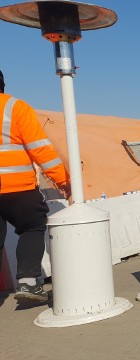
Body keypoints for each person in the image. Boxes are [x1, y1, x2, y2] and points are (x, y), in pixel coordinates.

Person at [0, 70, 71, 302]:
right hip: (16, 187)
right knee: (32, 225)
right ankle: (28, 283)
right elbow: (41, 150)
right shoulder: (14, 107)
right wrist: (63, 180)